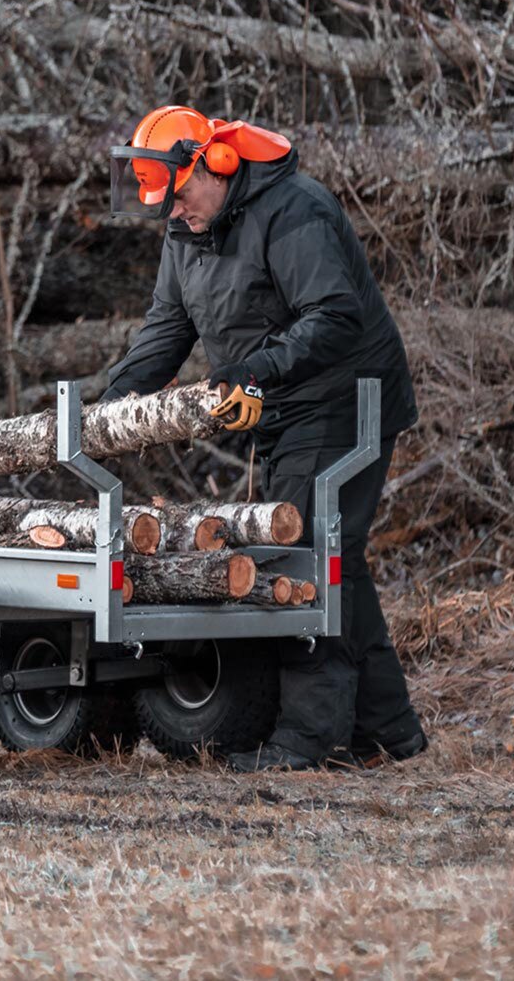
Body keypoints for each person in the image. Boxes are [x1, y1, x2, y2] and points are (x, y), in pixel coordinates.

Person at [103, 105, 428, 772]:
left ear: (214, 164)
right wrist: (117, 397)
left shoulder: (292, 210)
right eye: (164, 204)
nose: (175, 213)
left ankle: (314, 737)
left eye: (181, 197)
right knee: (342, 561)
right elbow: (167, 326)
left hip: (342, 398)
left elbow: (335, 314)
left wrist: (258, 367)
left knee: (301, 558)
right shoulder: (186, 227)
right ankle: (388, 731)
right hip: (283, 408)